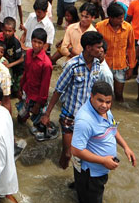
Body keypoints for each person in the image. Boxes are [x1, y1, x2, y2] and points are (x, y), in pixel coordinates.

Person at [40, 31, 113, 169]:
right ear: (88, 48)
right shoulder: (72, 66)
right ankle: (61, 170)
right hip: (70, 116)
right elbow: (58, 90)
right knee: (67, 154)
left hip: (88, 118)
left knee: (83, 155)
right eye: (98, 47)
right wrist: (47, 114)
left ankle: (77, 178)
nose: (101, 49)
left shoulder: (98, 65)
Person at [70, 80, 136, 203]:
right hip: (91, 173)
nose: (104, 106)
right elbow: (76, 150)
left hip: (97, 170)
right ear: (91, 96)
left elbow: (112, 128)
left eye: (108, 102)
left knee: (82, 190)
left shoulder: (105, 111)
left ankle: (78, 188)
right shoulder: (85, 121)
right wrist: (103, 161)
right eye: (100, 100)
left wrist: (126, 147)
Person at [96, 2, 136, 102]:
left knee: (119, 94)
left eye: (122, 17)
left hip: (121, 65)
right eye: (119, 18)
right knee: (102, 93)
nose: (122, 20)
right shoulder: (100, 27)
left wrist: (131, 67)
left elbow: (131, 48)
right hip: (103, 65)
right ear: (110, 17)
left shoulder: (128, 28)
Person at [17, 28, 53, 128]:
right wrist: (20, 88)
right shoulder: (28, 54)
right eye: (34, 41)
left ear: (44, 44)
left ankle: (49, 128)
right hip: (27, 91)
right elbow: (25, 73)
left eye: (39, 43)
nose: (36, 45)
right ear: (31, 40)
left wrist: (38, 105)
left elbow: (44, 87)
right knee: (21, 116)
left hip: (37, 97)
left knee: (39, 124)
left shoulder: (46, 64)